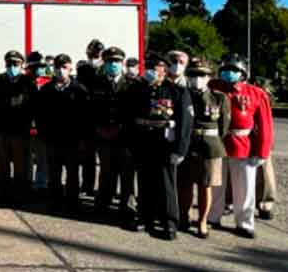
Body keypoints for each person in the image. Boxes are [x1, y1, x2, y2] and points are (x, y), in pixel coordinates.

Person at [207, 54, 274, 239]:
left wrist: (262, 151)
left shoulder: (256, 93)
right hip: (217, 143)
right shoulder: (212, 88)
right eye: (226, 70)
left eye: (235, 70)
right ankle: (212, 217)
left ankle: (244, 222)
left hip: (243, 146)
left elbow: (265, 125)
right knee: (215, 185)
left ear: (243, 73)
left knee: (245, 187)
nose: (230, 73)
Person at [130, 52, 193, 240]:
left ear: (164, 70)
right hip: (144, 141)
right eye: (148, 66)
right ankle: (144, 217)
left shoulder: (177, 91)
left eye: (154, 67)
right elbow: (130, 117)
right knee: (145, 181)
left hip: (165, 143)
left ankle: (169, 222)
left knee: (166, 185)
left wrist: (180, 149)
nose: (150, 70)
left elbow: (185, 123)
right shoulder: (139, 89)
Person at [177, 58, 230, 239]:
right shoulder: (181, 95)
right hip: (187, 145)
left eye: (201, 75)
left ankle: (202, 221)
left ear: (209, 77)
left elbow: (223, 128)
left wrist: (208, 137)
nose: (197, 78)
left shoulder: (219, 98)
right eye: (192, 75)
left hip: (210, 147)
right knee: (184, 185)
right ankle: (183, 217)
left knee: (205, 186)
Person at [35, 54, 89, 214]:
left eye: (64, 67)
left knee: (72, 174)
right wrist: (44, 135)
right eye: (58, 67)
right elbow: (40, 116)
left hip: (72, 140)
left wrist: (82, 139)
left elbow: (85, 117)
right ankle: (55, 201)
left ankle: (72, 202)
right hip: (52, 140)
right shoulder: (46, 90)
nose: (60, 70)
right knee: (54, 173)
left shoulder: (79, 90)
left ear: (70, 68)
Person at [90, 47, 138, 227]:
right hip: (103, 136)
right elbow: (92, 110)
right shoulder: (97, 83)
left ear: (123, 63)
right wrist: (98, 129)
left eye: (116, 61)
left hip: (125, 138)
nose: (113, 65)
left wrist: (121, 129)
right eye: (110, 61)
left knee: (127, 175)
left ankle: (127, 207)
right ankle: (102, 203)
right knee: (105, 173)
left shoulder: (133, 84)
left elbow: (135, 113)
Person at [0, 51, 35, 205]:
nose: (12, 67)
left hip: (20, 132)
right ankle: (2, 194)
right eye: (9, 64)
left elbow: (32, 109)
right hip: (1, 130)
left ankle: (19, 196)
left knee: (21, 167)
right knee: (2, 166)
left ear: (21, 65)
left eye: (15, 64)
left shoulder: (28, 84)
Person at [76, 39, 104, 198]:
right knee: (87, 156)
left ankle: (105, 189)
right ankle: (87, 185)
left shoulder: (104, 70)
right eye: (92, 53)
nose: (94, 55)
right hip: (86, 119)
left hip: (102, 118)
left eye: (97, 53)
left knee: (105, 159)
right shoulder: (83, 68)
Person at [25, 51, 51, 192]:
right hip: (26, 125)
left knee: (43, 156)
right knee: (27, 156)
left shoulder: (48, 82)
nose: (38, 69)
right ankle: (27, 182)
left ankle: (42, 183)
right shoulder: (23, 82)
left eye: (40, 66)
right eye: (35, 66)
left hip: (43, 125)